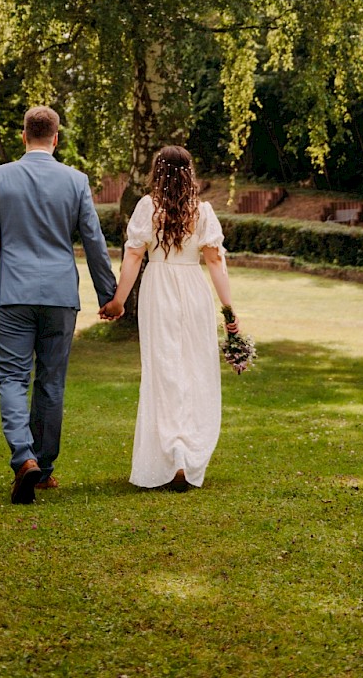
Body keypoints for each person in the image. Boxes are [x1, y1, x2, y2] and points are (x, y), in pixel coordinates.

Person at [0, 104, 118, 504]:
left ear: (24, 136)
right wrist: (109, 296)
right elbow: (94, 241)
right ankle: (43, 469)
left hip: (13, 295)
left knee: (12, 379)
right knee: (51, 382)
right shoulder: (76, 181)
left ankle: (23, 458)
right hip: (58, 296)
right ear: (56, 138)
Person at [100, 144, 238, 491]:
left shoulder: (149, 207)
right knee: (193, 370)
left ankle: (172, 453)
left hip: (158, 288)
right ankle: (186, 453)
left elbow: (133, 257)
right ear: (189, 174)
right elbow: (216, 262)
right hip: (193, 290)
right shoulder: (203, 212)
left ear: (156, 173)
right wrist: (229, 309)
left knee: (163, 370)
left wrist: (118, 301)